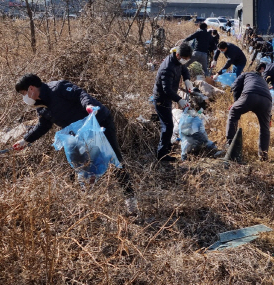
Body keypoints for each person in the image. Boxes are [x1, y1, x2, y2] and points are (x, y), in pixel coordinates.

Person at [12, 74, 138, 216]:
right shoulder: (41, 106)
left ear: (31, 88)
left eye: (23, 93)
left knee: (114, 159)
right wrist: (25, 140)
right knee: (83, 167)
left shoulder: (58, 88)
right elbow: (43, 125)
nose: (24, 98)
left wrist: (88, 105)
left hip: (99, 122)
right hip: (81, 134)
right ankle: (86, 205)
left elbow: (80, 94)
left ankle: (131, 203)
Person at [152, 43, 194, 162]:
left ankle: (166, 146)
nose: (185, 61)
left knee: (168, 124)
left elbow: (184, 69)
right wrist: (179, 100)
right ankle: (162, 155)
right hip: (161, 98)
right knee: (168, 126)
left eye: (187, 59)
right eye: (184, 59)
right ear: (178, 54)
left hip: (168, 97)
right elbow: (167, 90)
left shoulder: (177, 61)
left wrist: (187, 80)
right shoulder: (167, 68)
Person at [227, 71, 273, 161]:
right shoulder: (263, 81)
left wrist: (236, 102)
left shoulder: (245, 74)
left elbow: (236, 86)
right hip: (267, 101)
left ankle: (230, 146)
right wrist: (269, 118)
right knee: (265, 128)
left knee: (233, 112)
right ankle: (263, 156)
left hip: (250, 96)